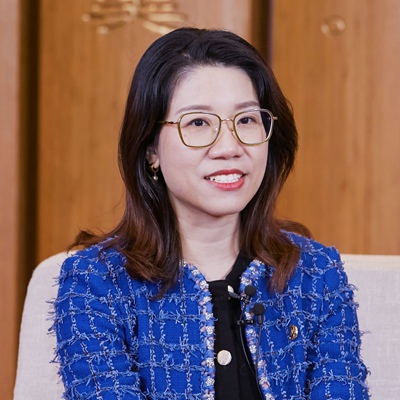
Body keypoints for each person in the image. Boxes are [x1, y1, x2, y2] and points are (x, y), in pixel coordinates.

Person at [52, 27, 369, 399]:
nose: (229, 147)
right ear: (151, 148)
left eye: (246, 119)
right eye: (198, 123)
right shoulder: (96, 285)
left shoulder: (316, 274)